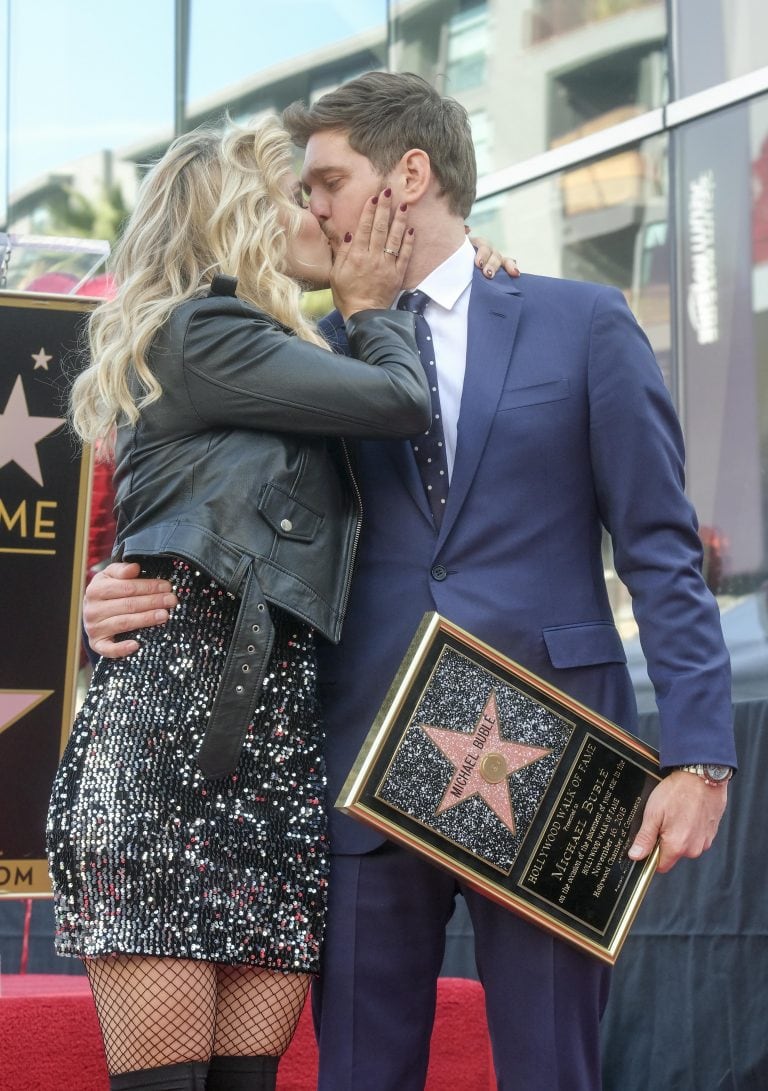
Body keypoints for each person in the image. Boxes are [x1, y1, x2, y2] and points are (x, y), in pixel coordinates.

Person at [81, 72, 736, 1091]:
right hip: (355, 762)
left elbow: (661, 549)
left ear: (410, 177)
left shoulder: (585, 322)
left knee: (554, 1069)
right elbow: (204, 512)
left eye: (329, 181)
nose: (312, 208)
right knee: (359, 1070)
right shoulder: (295, 352)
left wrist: (700, 755)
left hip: (551, 750)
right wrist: (108, 596)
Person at [46, 114, 437, 1091]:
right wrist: (376, 303)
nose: (320, 211)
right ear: (239, 223)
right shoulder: (204, 330)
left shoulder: (267, 357)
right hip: (173, 750)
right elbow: (398, 400)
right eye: (295, 196)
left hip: (274, 759)